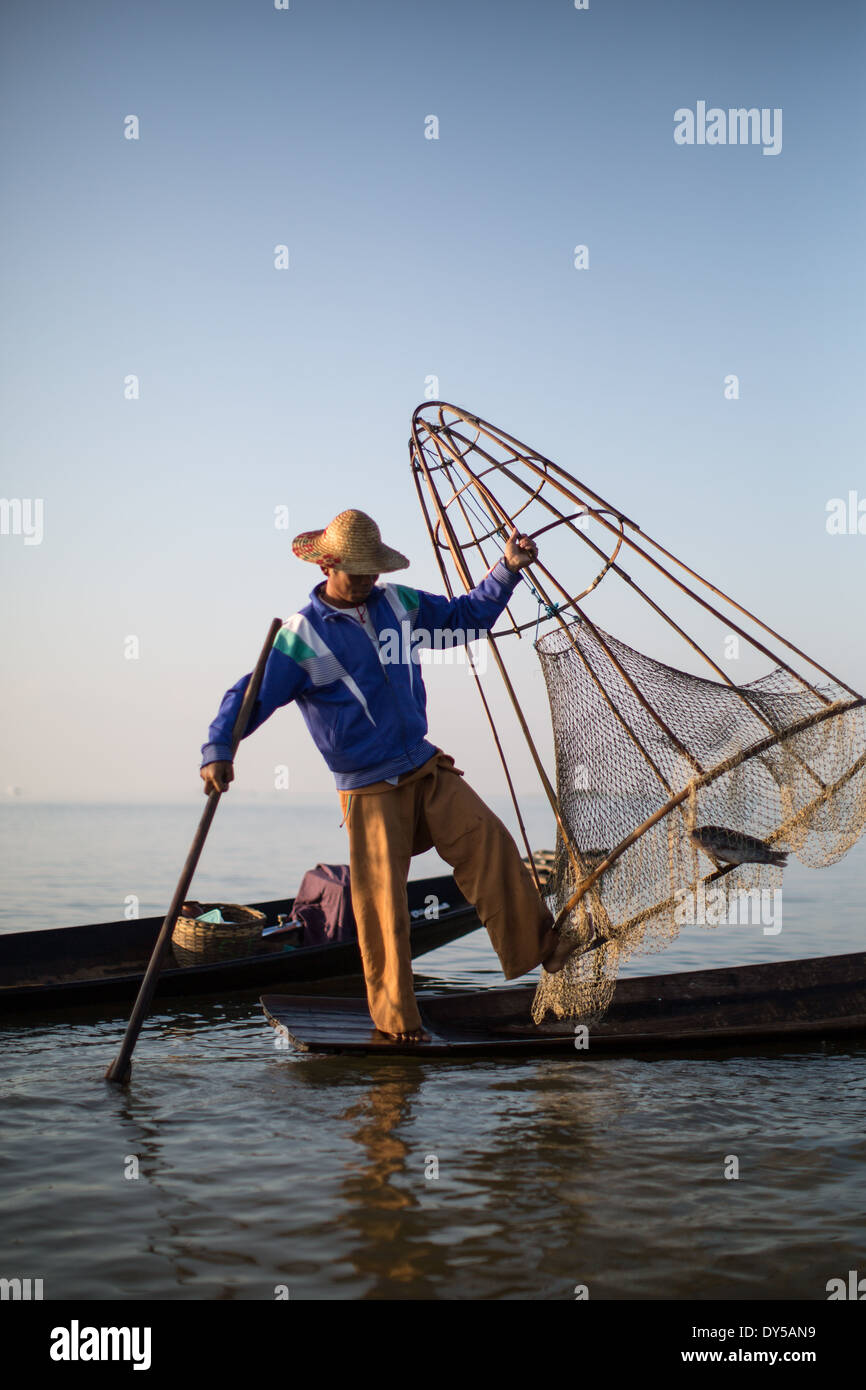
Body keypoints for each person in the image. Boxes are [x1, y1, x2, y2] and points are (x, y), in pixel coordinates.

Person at [200, 508, 578, 1042]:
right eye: (355, 571)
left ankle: (543, 948)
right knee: (383, 909)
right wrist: (220, 748)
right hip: (368, 787)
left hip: (423, 765)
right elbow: (251, 695)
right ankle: (398, 1024)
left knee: (489, 840)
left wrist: (508, 569)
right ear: (328, 564)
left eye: (372, 570)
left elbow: (467, 617)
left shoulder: (399, 604)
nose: (365, 581)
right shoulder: (302, 635)